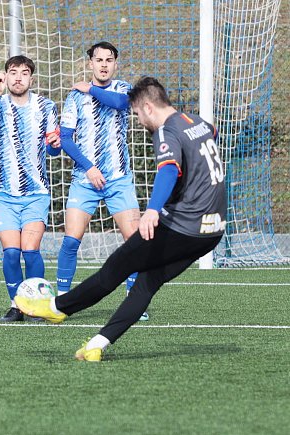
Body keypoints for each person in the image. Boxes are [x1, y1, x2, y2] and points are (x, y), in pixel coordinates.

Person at [16, 76, 226, 361]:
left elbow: (167, 170)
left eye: (138, 114)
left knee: (114, 268)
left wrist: (152, 210)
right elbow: (211, 135)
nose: (139, 121)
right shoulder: (197, 122)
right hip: (212, 233)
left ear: (149, 107)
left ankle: (57, 308)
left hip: (182, 225)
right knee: (146, 283)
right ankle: (97, 346)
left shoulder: (166, 131)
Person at [47, 42, 147, 320]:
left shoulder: (123, 89)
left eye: (109, 60)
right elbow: (65, 139)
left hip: (118, 179)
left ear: (116, 64)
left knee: (135, 240)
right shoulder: (73, 98)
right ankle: (61, 301)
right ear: (89, 63)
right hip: (84, 179)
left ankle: (133, 300)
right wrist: (89, 168)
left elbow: (120, 103)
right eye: (98, 59)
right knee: (70, 241)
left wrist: (90, 89)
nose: (103, 64)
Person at [0, 55, 59, 322]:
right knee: (11, 253)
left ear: (31, 78)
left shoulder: (46, 106)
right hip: (4, 194)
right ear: (5, 76)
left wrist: (55, 146)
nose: (18, 77)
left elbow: (51, 149)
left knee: (30, 250)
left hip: (35, 193)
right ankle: (17, 305)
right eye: (13, 72)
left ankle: (38, 304)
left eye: (24, 73)